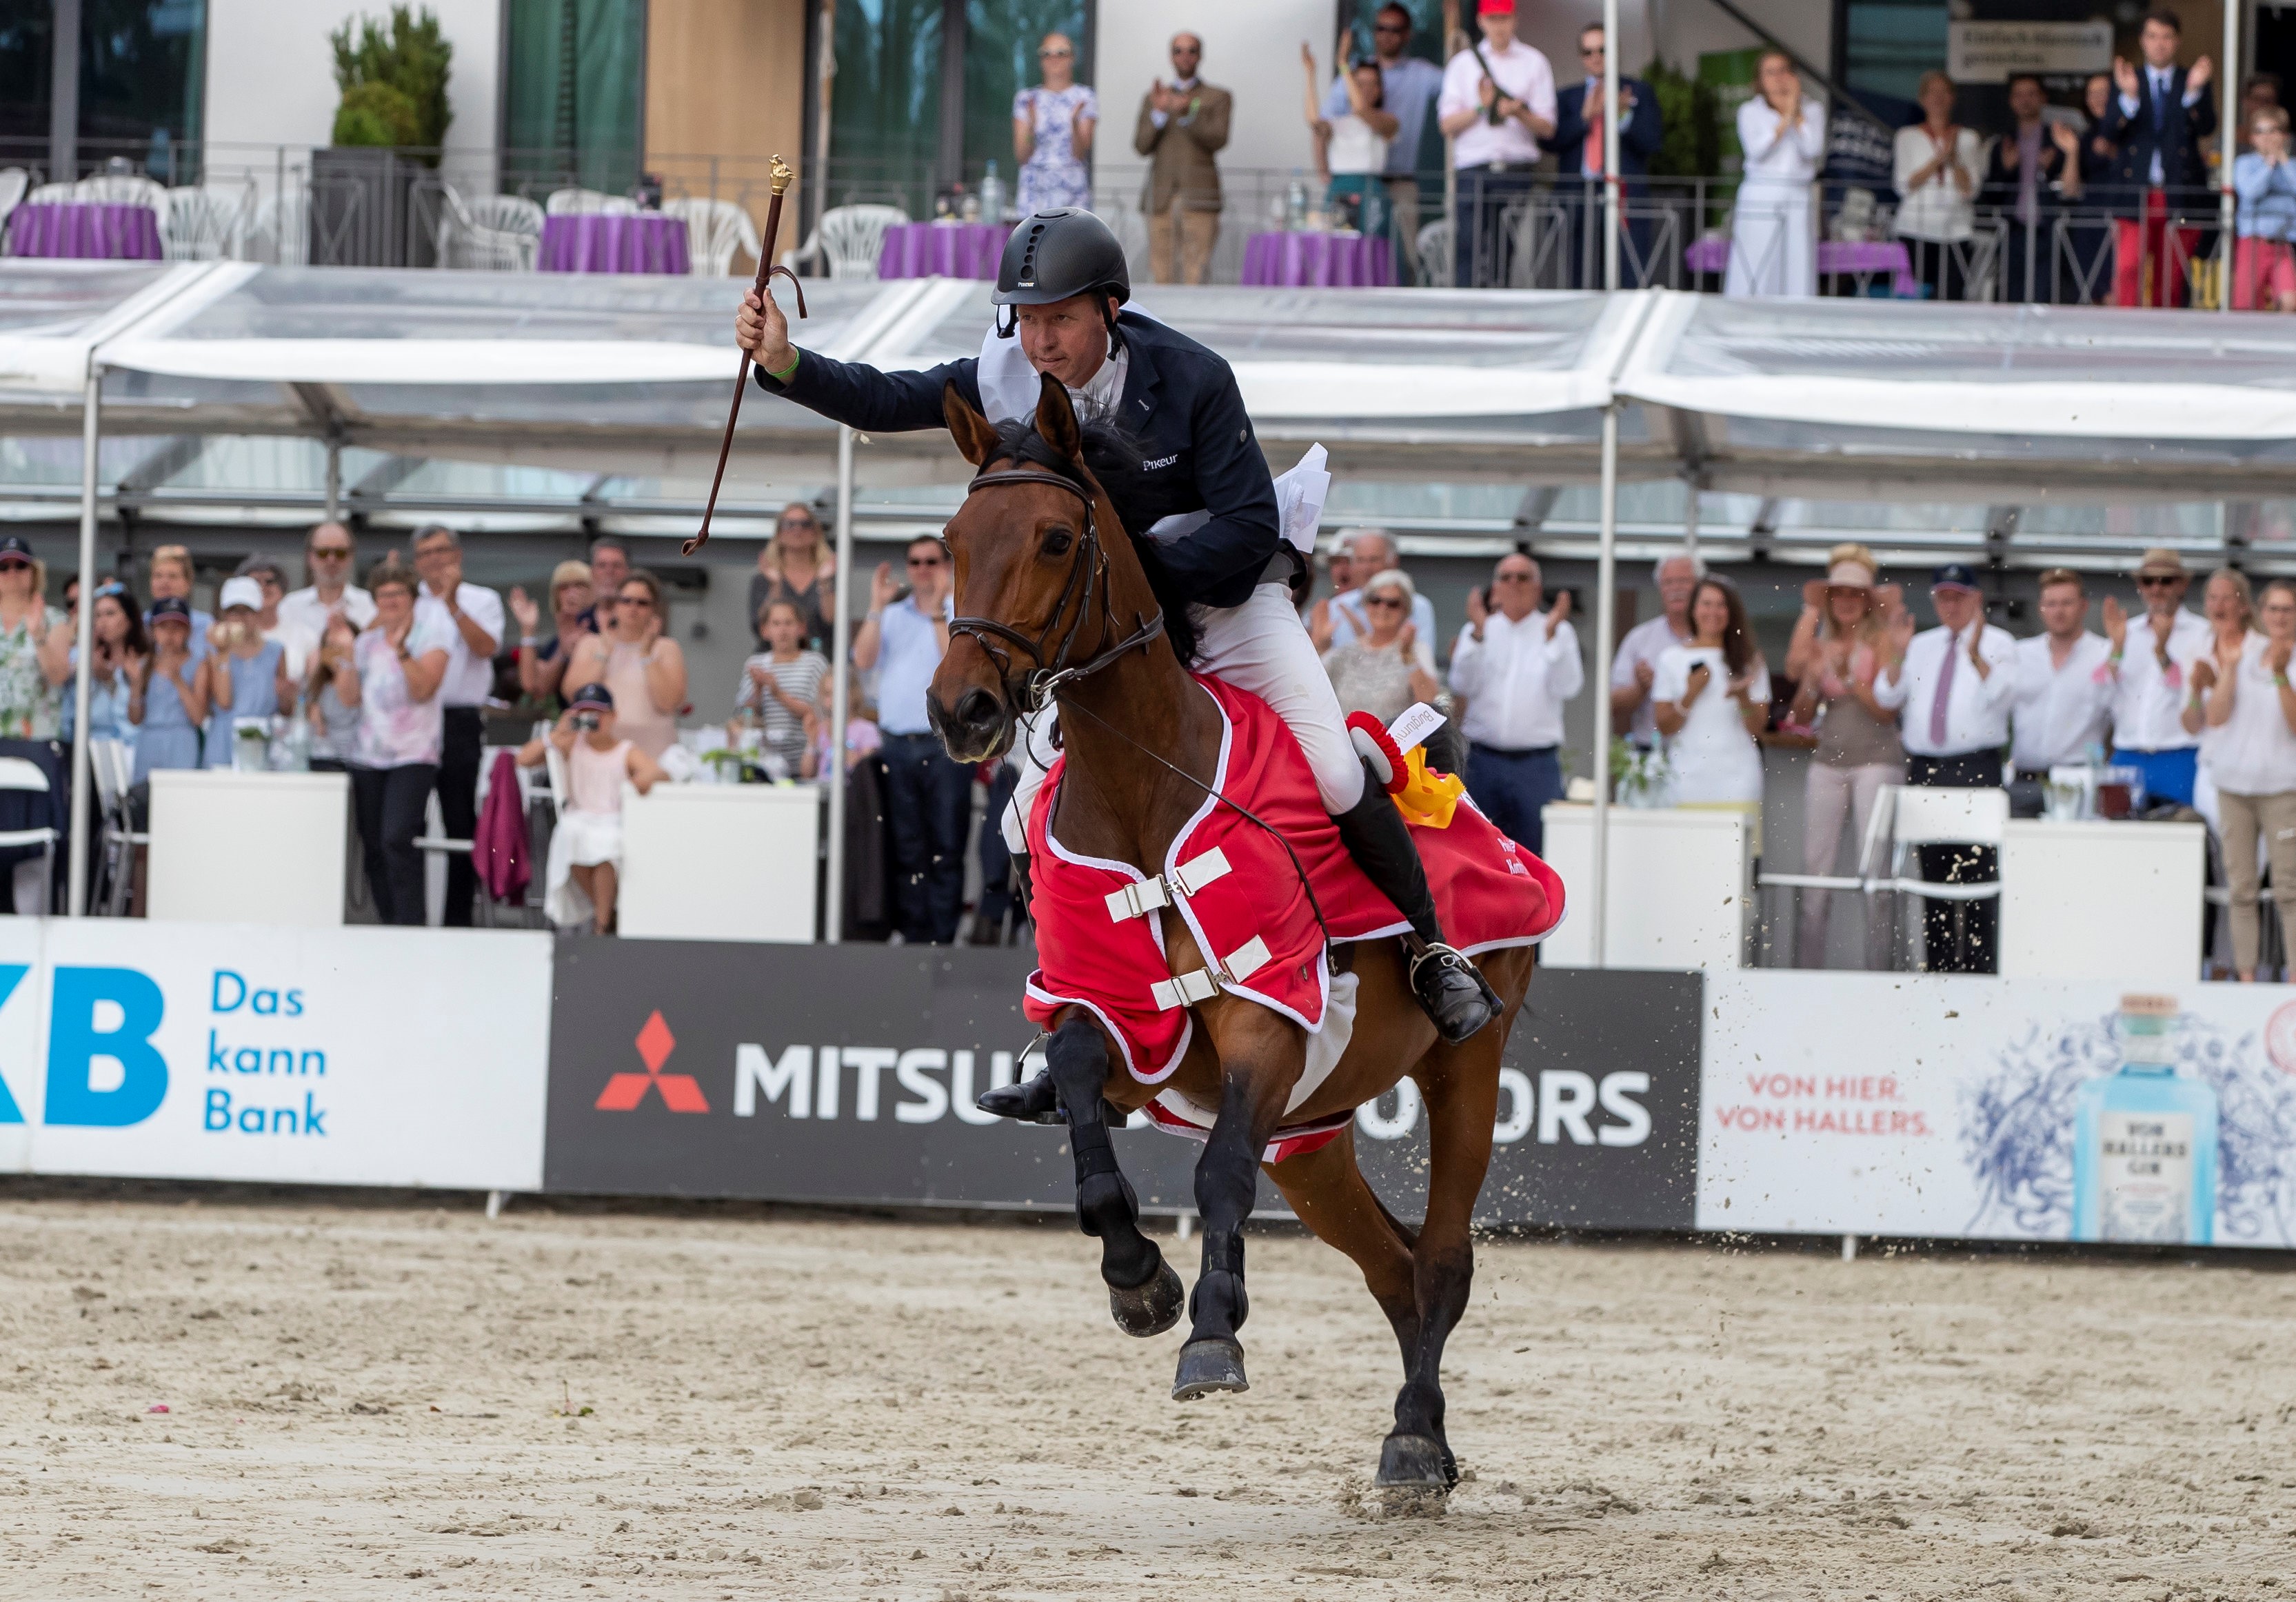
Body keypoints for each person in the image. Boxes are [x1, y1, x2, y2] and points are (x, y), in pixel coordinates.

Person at [735, 206, 1498, 1038]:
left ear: (1108, 309)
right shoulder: (1007, 372)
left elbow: (1246, 529)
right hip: (1107, 626)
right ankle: (1069, 1015)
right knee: (1025, 814)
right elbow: (888, 398)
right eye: (1027, 319)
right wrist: (786, 362)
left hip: (1227, 597)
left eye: (1061, 318)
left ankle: (1429, 951)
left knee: (1332, 766)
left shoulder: (1193, 376)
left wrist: (1141, 589)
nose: (1042, 341)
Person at [1873, 563, 2016, 974]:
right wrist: (1897, 654)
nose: (1951, 605)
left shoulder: (2001, 642)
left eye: (1959, 597)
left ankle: (1979, 969)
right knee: (1933, 875)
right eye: (1944, 597)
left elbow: (2003, 697)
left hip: (1976, 769)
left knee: (1977, 875)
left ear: (1976, 599)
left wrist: (1974, 656)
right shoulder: (1921, 644)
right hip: (1927, 769)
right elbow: (1888, 695)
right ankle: (1938, 968)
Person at [1786, 548, 1904, 969]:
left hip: (1878, 758)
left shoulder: (1883, 639)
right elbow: (1800, 711)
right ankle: (1805, 972)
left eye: (1856, 593)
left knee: (1877, 874)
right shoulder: (1820, 646)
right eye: (1838, 593)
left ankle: (1881, 972)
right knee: (1815, 871)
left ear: (1868, 599)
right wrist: (1813, 683)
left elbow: (1888, 710)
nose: (1847, 600)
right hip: (1828, 761)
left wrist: (1853, 679)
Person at [852, 539, 969, 945]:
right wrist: (876, 606)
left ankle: (944, 934)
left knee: (947, 843)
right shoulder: (891, 614)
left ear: (947, 566)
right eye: (915, 562)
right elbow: (862, 660)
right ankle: (914, 933)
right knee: (906, 844)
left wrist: (939, 609)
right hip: (898, 743)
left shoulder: (961, 612)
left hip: (945, 746)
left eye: (931, 561)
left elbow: (954, 667)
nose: (922, 569)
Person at [334, 558, 452, 926]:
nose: (390, 601)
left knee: (397, 838)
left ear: (413, 598)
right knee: (373, 847)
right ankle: (389, 925)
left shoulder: (431, 634)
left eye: (398, 593)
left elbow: (423, 689)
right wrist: (343, 656)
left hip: (414, 754)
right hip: (368, 755)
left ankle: (411, 925)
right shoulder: (367, 642)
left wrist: (402, 651)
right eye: (383, 595)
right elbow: (349, 698)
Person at [2188, 577, 2296, 980]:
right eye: (2274, 609)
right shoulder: (2246, 655)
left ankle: (2291, 983)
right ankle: (2247, 980)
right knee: (2241, 890)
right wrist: (2229, 670)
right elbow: (2215, 718)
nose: (2280, 616)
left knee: (2289, 890)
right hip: (2234, 786)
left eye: (2287, 609)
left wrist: (2284, 677)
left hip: (2283, 788)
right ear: (2260, 613)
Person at [1448, 552, 1580, 858]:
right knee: (1477, 852)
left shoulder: (1558, 630)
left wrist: (1550, 638)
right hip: (1483, 761)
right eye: (1506, 577)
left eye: (1523, 577)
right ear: (1495, 588)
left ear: (1538, 587)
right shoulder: (1478, 630)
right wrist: (1479, 633)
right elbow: (1461, 685)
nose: (1514, 584)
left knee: (1536, 854)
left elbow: (1569, 687)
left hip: (1536, 766)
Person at [410, 525, 504, 928]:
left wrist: (452, 606)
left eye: (442, 550)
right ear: (416, 561)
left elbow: (486, 649)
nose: (435, 559)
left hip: (459, 719)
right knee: (406, 823)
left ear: (458, 554)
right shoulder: (404, 601)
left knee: (460, 823)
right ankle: (408, 918)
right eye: (426, 553)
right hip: (410, 720)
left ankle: (458, 922)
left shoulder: (481, 599)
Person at [518, 682, 665, 936]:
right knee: (570, 838)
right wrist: (557, 734)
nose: (592, 720)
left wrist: (642, 780)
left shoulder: (625, 750)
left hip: (613, 822)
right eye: (585, 713)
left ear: (613, 716)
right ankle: (606, 916)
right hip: (578, 819)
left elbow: (657, 772)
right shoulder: (571, 745)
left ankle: (602, 921)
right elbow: (523, 760)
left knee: (606, 847)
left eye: (598, 713)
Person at [1319, 3, 1444, 282]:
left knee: (1404, 257)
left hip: (1399, 181)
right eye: (1381, 28)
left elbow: (1461, 80)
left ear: (1408, 34)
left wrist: (1455, 21)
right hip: (1358, 185)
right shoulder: (1353, 76)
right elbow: (1323, 124)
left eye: (1395, 29)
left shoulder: (1421, 74)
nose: (1387, 35)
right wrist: (1323, 170)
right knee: (1352, 254)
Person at [1438, 0, 1557, 290]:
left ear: (1514, 20)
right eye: (1493, 19)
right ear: (1481, 21)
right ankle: (1466, 317)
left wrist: (1519, 113)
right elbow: (1446, 125)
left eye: (1504, 19)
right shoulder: (1462, 65)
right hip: (1473, 170)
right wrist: (1482, 107)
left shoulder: (1534, 62)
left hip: (1516, 171)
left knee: (1509, 254)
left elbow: (1548, 127)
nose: (1499, 26)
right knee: (1468, 248)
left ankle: (1501, 320)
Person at [2104, 8, 2217, 309]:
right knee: (2128, 268)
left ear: (2177, 41)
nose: (2159, 44)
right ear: (2142, 41)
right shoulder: (2130, 79)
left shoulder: (2189, 79)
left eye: (2167, 37)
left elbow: (2206, 126)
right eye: (2152, 36)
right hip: (2135, 191)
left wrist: (2194, 91)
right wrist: (2129, 97)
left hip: (2177, 191)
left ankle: (2165, 340)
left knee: (2171, 276)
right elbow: (2109, 132)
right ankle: (2126, 335)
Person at [1551, 22, 1663, 288]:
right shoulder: (1569, 96)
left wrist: (1623, 116)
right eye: (1588, 52)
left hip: (1623, 195)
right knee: (1579, 275)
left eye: (1603, 50)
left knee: (1628, 274)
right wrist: (1584, 119)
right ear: (1581, 57)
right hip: (1578, 195)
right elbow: (1551, 141)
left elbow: (1652, 141)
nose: (1596, 57)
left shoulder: (1637, 91)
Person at [2104, 547, 2211, 807]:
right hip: (2128, 754)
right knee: (2117, 839)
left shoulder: (2203, 633)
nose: (2157, 588)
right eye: (2148, 581)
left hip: (2179, 755)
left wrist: (2162, 653)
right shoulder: (2125, 631)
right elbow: (2101, 693)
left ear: (2183, 584)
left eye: (2166, 581)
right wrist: (2116, 650)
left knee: (2181, 838)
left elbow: (2194, 694)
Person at [1651, 577, 1770, 810]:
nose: (1713, 612)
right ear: (1694, 609)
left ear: (1731, 612)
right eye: (1706, 604)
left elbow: (1758, 729)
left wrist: (1743, 697)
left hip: (1738, 782)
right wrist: (1690, 694)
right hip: (1686, 780)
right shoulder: (1671, 658)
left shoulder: (1750, 661)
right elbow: (1664, 726)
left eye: (1721, 605)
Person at [1726, 51, 1826, 299]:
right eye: (1770, 72)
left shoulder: (1813, 109)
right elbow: (1757, 150)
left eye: (1783, 70)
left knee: (1796, 258)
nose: (1778, 78)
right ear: (1760, 80)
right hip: (1761, 192)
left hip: (1797, 193)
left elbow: (1812, 148)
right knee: (1756, 257)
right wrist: (1786, 118)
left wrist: (1797, 113)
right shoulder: (1750, 111)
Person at [1133, 32, 1231, 286]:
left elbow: (1219, 139)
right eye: (1178, 50)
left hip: (1199, 196)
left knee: (1196, 274)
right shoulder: (1155, 97)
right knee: (1161, 274)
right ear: (1171, 56)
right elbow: (1141, 146)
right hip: (1161, 196)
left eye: (1191, 50)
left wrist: (1189, 115)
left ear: (1200, 55)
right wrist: (1159, 113)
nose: (1185, 56)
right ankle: (1162, 327)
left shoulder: (1217, 97)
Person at [563, 568, 684, 761]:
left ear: (654, 609)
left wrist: (646, 655)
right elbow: (573, 695)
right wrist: (604, 653)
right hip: (600, 754)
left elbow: (669, 703)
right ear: (615, 606)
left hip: (654, 754)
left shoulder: (667, 648)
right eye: (626, 600)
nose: (633, 608)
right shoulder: (591, 644)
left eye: (642, 603)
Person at [1984, 73, 2084, 303]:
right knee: (2011, 296)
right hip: (2013, 231)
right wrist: (2006, 168)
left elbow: (2070, 188)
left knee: (2045, 297)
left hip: (2048, 230)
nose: (2025, 100)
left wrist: (2056, 161)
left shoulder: (2057, 137)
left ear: (2042, 98)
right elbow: (1990, 194)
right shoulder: (2003, 141)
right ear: (2011, 101)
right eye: (2019, 95)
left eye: (2031, 94)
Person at [2010, 568, 2113, 785]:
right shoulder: (2020, 653)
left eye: (2067, 603)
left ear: (2083, 606)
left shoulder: (2103, 653)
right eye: (2051, 604)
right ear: (2041, 608)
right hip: (2025, 775)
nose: (2058, 612)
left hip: (2078, 776)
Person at [1893, 72, 1982, 303]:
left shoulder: (1969, 138)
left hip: (1956, 229)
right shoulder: (1907, 136)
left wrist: (1954, 160)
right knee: (1914, 299)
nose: (1938, 98)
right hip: (1915, 227)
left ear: (1953, 98)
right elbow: (1903, 185)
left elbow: (1971, 190)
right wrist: (1937, 161)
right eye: (1932, 92)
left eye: (1944, 92)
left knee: (1950, 297)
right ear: (1923, 99)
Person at [1304, 37, 1398, 243]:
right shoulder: (1338, 122)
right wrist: (1311, 75)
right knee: (1337, 249)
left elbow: (1361, 110)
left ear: (1379, 90)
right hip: (1340, 191)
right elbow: (1314, 122)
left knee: (1370, 249)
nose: (1364, 90)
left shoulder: (1386, 121)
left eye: (1371, 85)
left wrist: (1344, 66)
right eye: (1359, 84)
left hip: (1371, 192)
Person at [1322, 568, 1441, 725]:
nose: (1382, 608)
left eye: (1393, 603)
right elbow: (1312, 690)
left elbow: (1429, 703)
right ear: (1366, 604)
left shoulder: (1416, 650)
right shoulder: (1346, 652)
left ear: (1406, 610)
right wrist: (1319, 645)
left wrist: (1408, 656)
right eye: (1375, 601)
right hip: (1345, 746)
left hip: (1393, 746)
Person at [1611, 549, 1702, 749]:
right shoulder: (1639, 638)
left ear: (1699, 586)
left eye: (1684, 581)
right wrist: (1640, 688)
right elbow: (1612, 703)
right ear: (1660, 588)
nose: (1676, 588)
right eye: (1668, 582)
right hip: (1651, 751)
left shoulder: (1714, 638)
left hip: (1701, 752)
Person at [200, 576, 295, 769]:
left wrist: (287, 696)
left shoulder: (276, 651)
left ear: (258, 613)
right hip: (222, 743)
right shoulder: (213, 651)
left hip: (261, 742)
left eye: (247, 611)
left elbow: (285, 709)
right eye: (233, 611)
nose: (240, 618)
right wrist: (223, 653)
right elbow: (224, 702)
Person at [1309, 528, 1435, 669]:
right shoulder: (1336, 606)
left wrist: (1367, 640)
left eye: (1374, 560)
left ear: (1393, 562)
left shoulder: (1418, 606)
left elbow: (1422, 667)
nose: (1366, 568)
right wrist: (1320, 647)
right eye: (1360, 560)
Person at [734, 597, 831, 777]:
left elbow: (820, 712)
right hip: (764, 764)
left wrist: (778, 693)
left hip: (805, 763)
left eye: (789, 623)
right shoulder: (756, 663)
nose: (783, 630)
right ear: (765, 631)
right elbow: (744, 716)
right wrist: (757, 690)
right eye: (776, 624)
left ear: (801, 629)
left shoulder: (815, 663)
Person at [1014, 31, 1097, 214]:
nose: (1054, 59)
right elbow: (1021, 155)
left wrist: (1074, 122)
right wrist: (1031, 126)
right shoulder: (1027, 99)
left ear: (1072, 58)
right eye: (1047, 54)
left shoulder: (1084, 97)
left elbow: (1080, 153)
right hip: (1035, 191)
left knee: (1073, 241)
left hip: (1071, 189)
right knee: (1034, 241)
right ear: (1040, 60)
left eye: (1061, 53)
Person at [127, 595, 208, 783]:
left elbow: (198, 718)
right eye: (163, 627)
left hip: (182, 741)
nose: (170, 634)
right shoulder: (145, 665)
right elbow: (135, 718)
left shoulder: (198, 664)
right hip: (149, 741)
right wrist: (137, 684)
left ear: (188, 631)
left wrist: (177, 679)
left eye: (177, 628)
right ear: (153, 631)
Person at [0, 536, 70, 740]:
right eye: (4, 567)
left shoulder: (55, 619)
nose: (12, 572)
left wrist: (38, 635)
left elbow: (59, 676)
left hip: (38, 737)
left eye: (20, 565)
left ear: (34, 572)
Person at [66, 583, 145, 752]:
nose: (102, 622)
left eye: (110, 614)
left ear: (129, 618)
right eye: (97, 615)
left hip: (133, 750)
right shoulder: (80, 657)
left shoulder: (145, 660)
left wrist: (111, 682)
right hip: (89, 752)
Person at [2233, 106, 2296, 312]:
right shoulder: (2245, 163)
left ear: (2284, 136)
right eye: (2260, 131)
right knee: (2247, 305)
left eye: (2273, 130)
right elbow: (2250, 191)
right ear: (2252, 138)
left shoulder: (2292, 165)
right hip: (2254, 242)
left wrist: (2284, 161)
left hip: (2283, 244)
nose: (2267, 137)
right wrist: (2269, 164)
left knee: (2290, 302)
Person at [749, 503, 835, 652]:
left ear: (816, 532)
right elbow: (761, 628)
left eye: (805, 524)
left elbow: (833, 623)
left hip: (821, 662)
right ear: (779, 533)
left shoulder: (829, 575)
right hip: (774, 662)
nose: (798, 529)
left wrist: (824, 583)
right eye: (789, 524)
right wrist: (775, 586)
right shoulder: (763, 579)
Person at [509, 559, 594, 708]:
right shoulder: (555, 644)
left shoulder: (604, 630)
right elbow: (534, 685)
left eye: (579, 585)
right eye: (564, 587)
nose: (571, 593)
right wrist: (528, 630)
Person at [279, 521, 374, 641]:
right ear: (310, 557)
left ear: (351, 556)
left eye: (340, 553)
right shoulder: (290, 607)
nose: (331, 560)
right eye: (323, 553)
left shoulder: (370, 606)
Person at [234, 553, 318, 680]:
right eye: (255, 582)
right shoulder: (231, 634)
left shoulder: (304, 635)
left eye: (270, 581)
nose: (263, 587)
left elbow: (314, 687)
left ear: (282, 588)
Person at [303, 610, 360, 772]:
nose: (335, 653)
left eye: (341, 647)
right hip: (325, 759)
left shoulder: (364, 678)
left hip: (357, 759)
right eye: (330, 647)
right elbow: (316, 728)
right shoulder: (319, 684)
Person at [144, 544, 213, 655]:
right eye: (158, 576)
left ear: (188, 583)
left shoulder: (206, 626)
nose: (164, 582)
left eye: (173, 576)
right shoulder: (141, 624)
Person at [581, 536, 631, 634]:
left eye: (616, 566)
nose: (609, 572)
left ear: (628, 572)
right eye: (602, 566)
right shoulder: (579, 621)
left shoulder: (640, 621)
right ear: (592, 572)